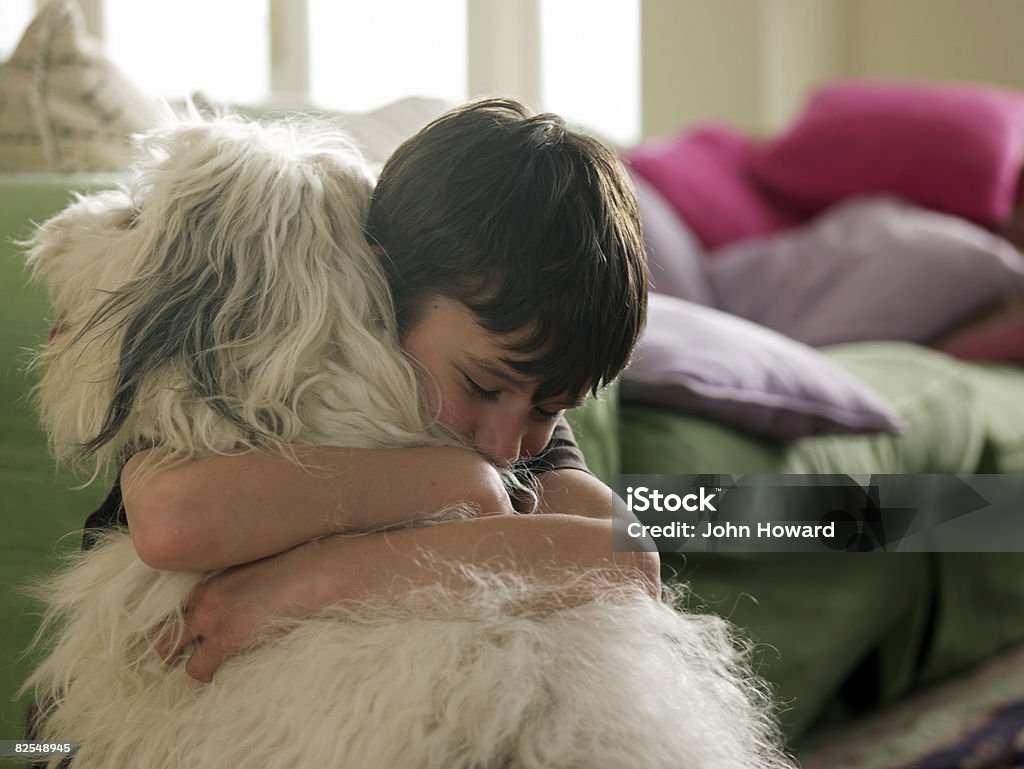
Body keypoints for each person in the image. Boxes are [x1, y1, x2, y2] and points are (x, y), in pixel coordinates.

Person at [84, 98, 656, 683]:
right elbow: (172, 522)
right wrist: (460, 484)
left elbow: (627, 563)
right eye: (483, 386)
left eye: (550, 408)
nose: (507, 448)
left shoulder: (509, 407)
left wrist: (307, 584)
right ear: (382, 289)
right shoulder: (264, 357)